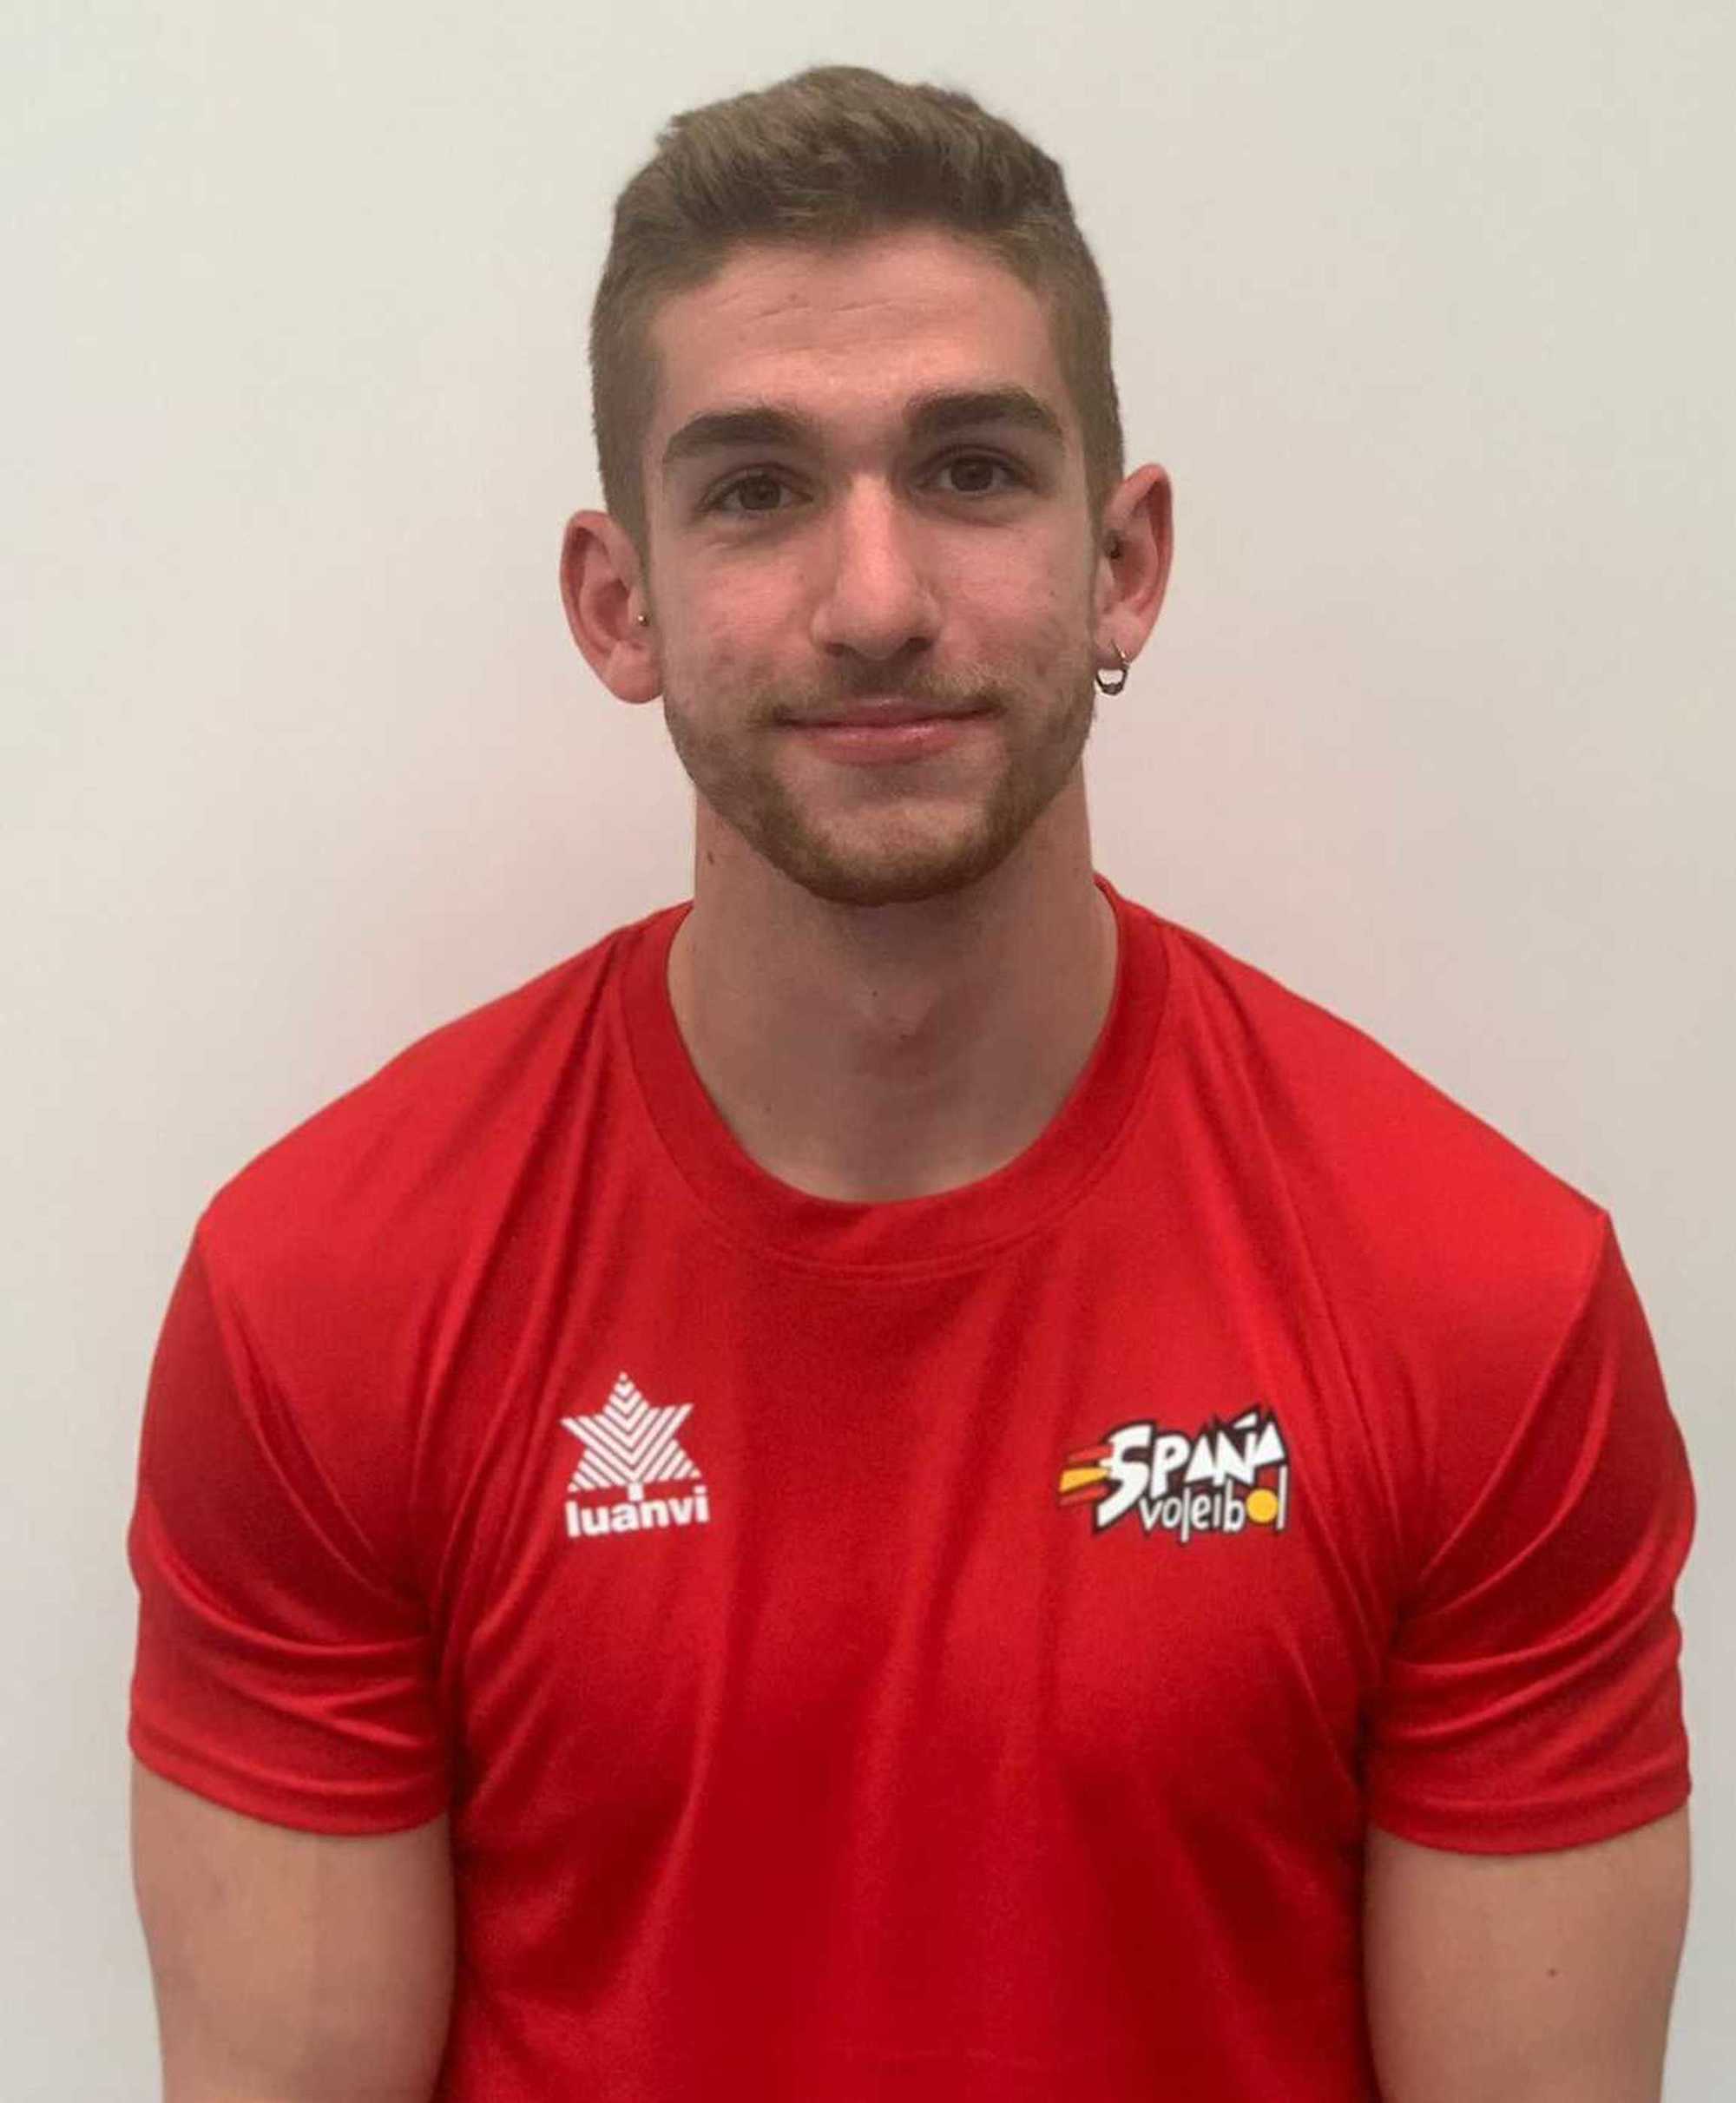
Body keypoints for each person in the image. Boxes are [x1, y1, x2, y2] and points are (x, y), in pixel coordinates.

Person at [126, 63, 1695, 2103]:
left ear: (1124, 561)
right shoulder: (327, 1297)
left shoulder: (1478, 1305)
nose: (875, 601)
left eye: (968, 471)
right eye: (755, 491)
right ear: (620, 601)